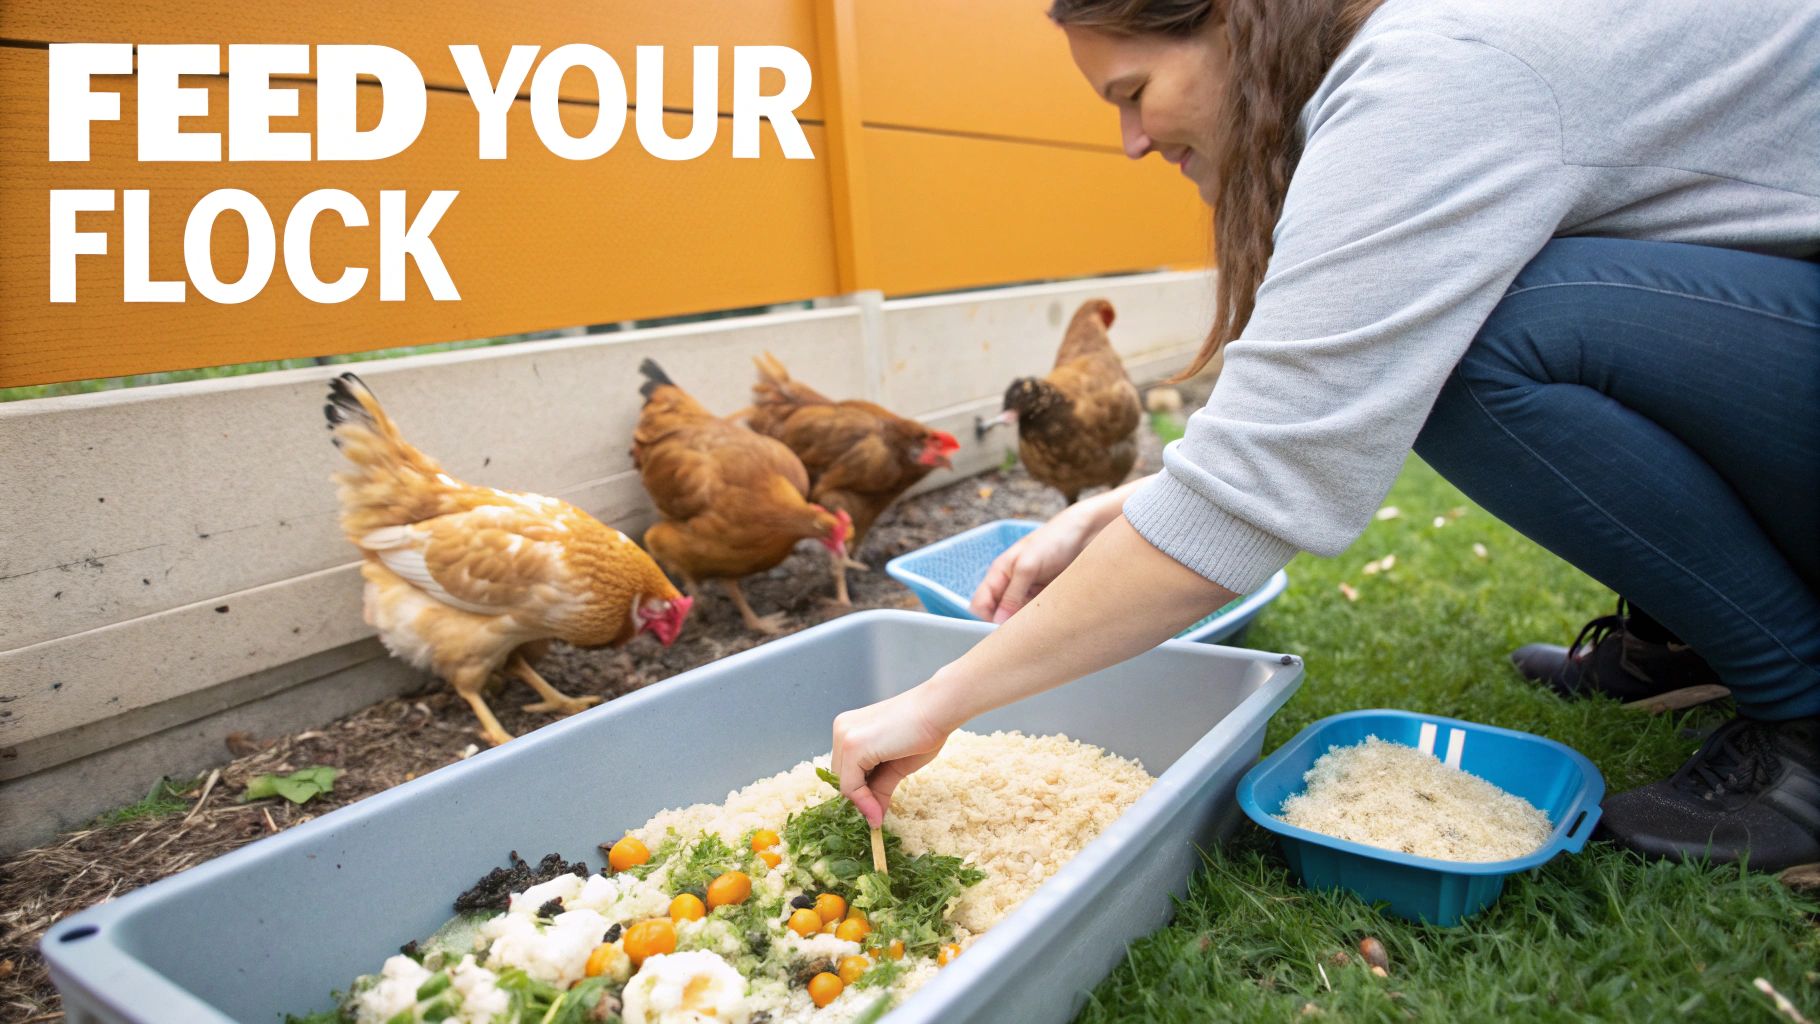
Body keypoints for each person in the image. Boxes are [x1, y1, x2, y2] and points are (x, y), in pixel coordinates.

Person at [830, 0, 1820, 872]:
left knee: (1480, 345)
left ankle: (1805, 717)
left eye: (1132, 91)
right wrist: (1122, 506)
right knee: (1474, 325)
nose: (1129, 141)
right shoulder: (1425, 53)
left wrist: (939, 700)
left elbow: (1269, 472)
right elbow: (1320, 402)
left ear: (1234, 22)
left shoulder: (1430, 73)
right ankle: (1694, 638)